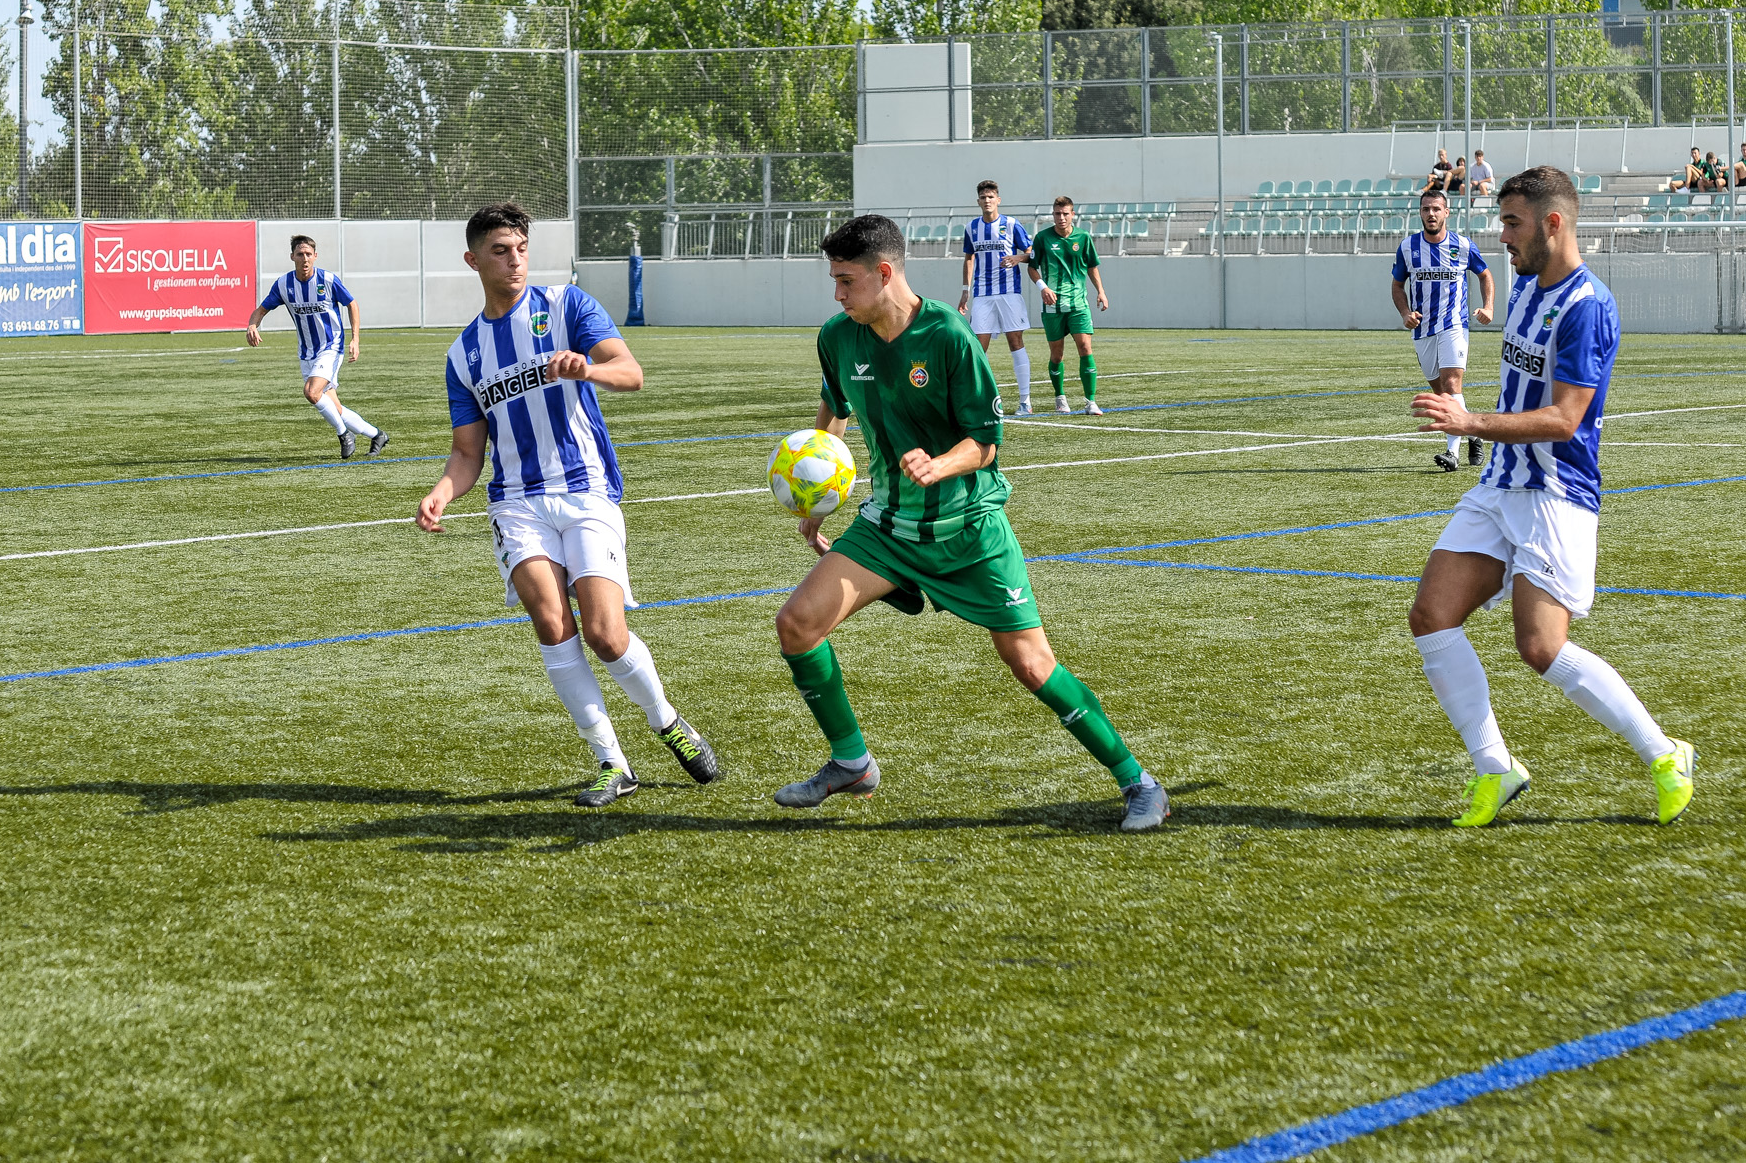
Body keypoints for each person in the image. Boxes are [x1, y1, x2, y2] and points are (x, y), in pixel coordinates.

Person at [769, 213, 1168, 832]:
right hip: (890, 527)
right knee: (797, 625)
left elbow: (986, 441)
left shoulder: (949, 336)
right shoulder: (838, 336)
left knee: (1032, 664)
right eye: (834, 281)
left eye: (846, 281)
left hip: (970, 527)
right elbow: (835, 409)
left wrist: (940, 464)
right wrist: (814, 497)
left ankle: (1139, 783)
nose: (837, 294)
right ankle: (851, 762)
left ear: (884, 272)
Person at [1406, 166, 1695, 829]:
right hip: (1500, 485)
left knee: (1540, 648)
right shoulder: (1526, 289)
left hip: (1556, 494)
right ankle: (1495, 767)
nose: (1501, 235)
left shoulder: (1588, 307)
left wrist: (1471, 422)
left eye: (1512, 223)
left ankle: (1664, 753)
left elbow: (1566, 418)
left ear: (1553, 223)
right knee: (1431, 612)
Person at [415, 202, 720, 809]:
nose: (515, 260)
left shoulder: (566, 307)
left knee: (607, 635)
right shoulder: (463, 356)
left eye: (522, 248)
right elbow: (468, 453)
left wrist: (590, 371)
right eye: (501, 251)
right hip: (516, 504)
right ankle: (612, 762)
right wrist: (442, 492)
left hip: (585, 489)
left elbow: (631, 372)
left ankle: (667, 723)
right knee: (554, 626)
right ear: (474, 260)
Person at [246, 235, 388, 459]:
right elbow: (261, 309)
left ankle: (344, 435)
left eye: (308, 254)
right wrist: (252, 325)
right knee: (335, 407)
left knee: (311, 392)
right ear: (292, 256)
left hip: (331, 347)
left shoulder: (328, 280)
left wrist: (355, 339)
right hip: (306, 352)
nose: (305, 259)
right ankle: (377, 435)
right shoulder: (284, 285)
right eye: (300, 254)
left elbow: (352, 304)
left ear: (315, 256)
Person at [1392, 189, 1494, 472]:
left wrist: (1488, 307)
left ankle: (1452, 453)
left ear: (1447, 212)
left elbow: (1485, 274)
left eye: (1436, 209)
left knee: (1451, 388)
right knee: (1441, 397)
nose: (1431, 214)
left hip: (1454, 325)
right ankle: (1473, 432)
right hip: (1423, 328)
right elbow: (1397, 285)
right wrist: (1405, 313)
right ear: (1420, 213)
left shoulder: (1462, 245)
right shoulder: (1408, 248)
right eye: (1426, 209)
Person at [959, 180, 1035, 416]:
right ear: (978, 201)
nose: (987, 200)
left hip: (1009, 293)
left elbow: (1032, 252)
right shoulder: (972, 227)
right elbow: (969, 258)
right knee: (978, 348)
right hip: (982, 295)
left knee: (1015, 342)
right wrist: (965, 290)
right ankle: (982, 402)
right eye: (983, 197)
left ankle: (1025, 401)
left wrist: (1017, 258)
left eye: (991, 196)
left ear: (998, 200)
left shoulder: (1011, 224)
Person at [1030, 196, 1108, 416]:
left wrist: (1101, 291)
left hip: (1078, 304)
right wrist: (1043, 287)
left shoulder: (1083, 237)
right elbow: (1032, 267)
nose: (1061, 217)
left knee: (1085, 348)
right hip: (1052, 307)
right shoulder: (1043, 238)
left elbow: (1092, 266)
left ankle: (1091, 401)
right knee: (1057, 355)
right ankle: (1060, 397)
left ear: (1072, 214)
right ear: (1053, 214)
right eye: (1057, 213)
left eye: (1065, 213)